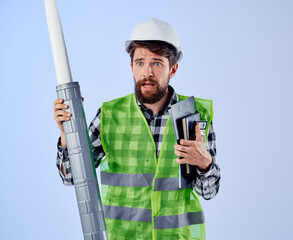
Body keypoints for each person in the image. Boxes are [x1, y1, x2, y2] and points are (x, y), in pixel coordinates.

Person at [54, 18, 220, 240]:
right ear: (131, 67)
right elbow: (72, 177)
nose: (147, 72)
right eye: (140, 62)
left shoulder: (194, 116)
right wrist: (67, 136)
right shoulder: (110, 115)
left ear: (173, 69)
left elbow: (208, 191)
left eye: (157, 63)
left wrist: (204, 163)